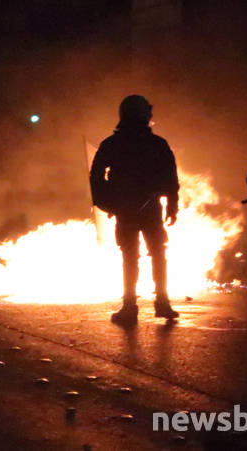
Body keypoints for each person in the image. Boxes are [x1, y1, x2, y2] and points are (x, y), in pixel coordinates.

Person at [90, 95, 180, 326]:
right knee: (157, 254)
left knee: (131, 257)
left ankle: (131, 306)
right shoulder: (157, 144)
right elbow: (170, 178)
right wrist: (172, 205)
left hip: (128, 209)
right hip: (147, 209)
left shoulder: (113, 144)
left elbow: (96, 176)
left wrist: (106, 201)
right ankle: (160, 303)